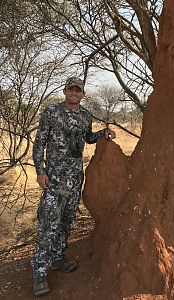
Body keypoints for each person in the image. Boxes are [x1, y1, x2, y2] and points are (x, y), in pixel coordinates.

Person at [31, 77, 116, 297]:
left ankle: (58, 258)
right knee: (48, 223)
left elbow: (87, 138)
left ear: (83, 94)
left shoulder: (85, 115)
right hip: (54, 179)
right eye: (71, 89)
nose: (74, 93)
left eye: (78, 90)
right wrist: (40, 171)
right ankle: (39, 273)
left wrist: (104, 133)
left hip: (74, 178)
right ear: (65, 91)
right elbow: (39, 142)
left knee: (67, 221)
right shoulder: (51, 112)